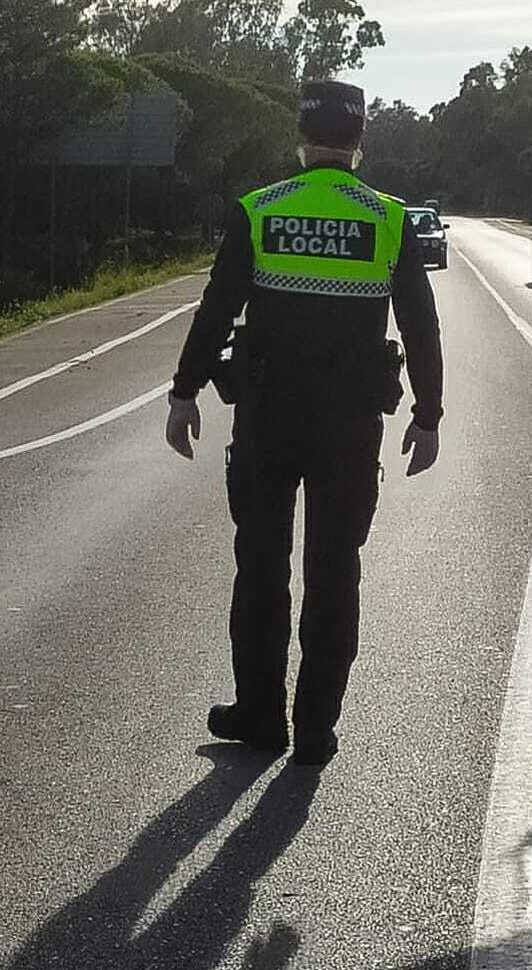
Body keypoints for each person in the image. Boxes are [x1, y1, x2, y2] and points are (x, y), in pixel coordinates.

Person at [165, 81, 445, 766]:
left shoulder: (260, 209)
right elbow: (421, 324)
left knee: (262, 565)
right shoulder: (388, 218)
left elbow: (215, 309)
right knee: (335, 570)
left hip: (268, 419)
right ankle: (316, 727)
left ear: (301, 134)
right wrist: (428, 414)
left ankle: (261, 716)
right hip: (349, 427)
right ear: (359, 139)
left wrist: (185, 391)